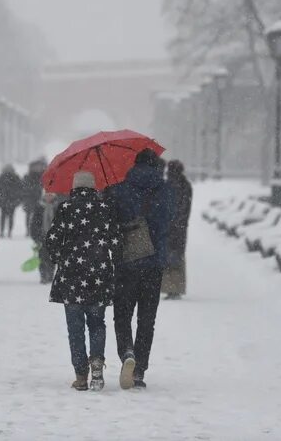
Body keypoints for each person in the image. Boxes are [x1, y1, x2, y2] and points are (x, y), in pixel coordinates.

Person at [44, 171, 121, 391]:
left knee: (75, 327)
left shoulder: (66, 208)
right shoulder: (105, 209)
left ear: (74, 188)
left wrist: (60, 257)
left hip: (71, 277)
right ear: (93, 188)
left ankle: (80, 375)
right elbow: (116, 241)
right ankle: (96, 361)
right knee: (97, 323)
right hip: (100, 275)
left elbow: (52, 239)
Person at [108, 148, 174, 390]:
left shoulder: (120, 189)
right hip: (154, 263)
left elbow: (111, 222)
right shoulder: (165, 190)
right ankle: (139, 370)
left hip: (126, 262)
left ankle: (127, 352)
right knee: (147, 319)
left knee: (122, 314)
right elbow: (170, 219)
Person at [162, 160, 193, 300]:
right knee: (178, 255)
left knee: (168, 256)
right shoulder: (186, 185)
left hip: (167, 226)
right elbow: (185, 207)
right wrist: (181, 221)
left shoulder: (166, 185)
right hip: (181, 227)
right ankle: (178, 287)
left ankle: (169, 287)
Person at [29, 191, 65, 284]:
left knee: (52, 257)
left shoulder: (58, 207)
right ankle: (43, 275)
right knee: (42, 257)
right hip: (42, 236)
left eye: (50, 195)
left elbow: (62, 222)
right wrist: (35, 236)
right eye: (47, 195)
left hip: (55, 237)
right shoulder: (39, 207)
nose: (48, 197)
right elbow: (34, 223)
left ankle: (50, 274)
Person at [0, 164, 23, 237]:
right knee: (7, 217)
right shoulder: (4, 177)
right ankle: (4, 231)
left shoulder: (13, 177)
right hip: (6, 200)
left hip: (9, 200)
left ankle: (6, 231)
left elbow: (20, 189)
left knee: (7, 217)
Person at [22, 159, 46, 236]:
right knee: (28, 215)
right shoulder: (28, 176)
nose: (37, 168)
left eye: (39, 166)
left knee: (38, 215)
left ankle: (36, 230)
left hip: (38, 198)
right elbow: (24, 187)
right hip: (29, 198)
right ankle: (28, 230)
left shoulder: (43, 176)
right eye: (35, 166)